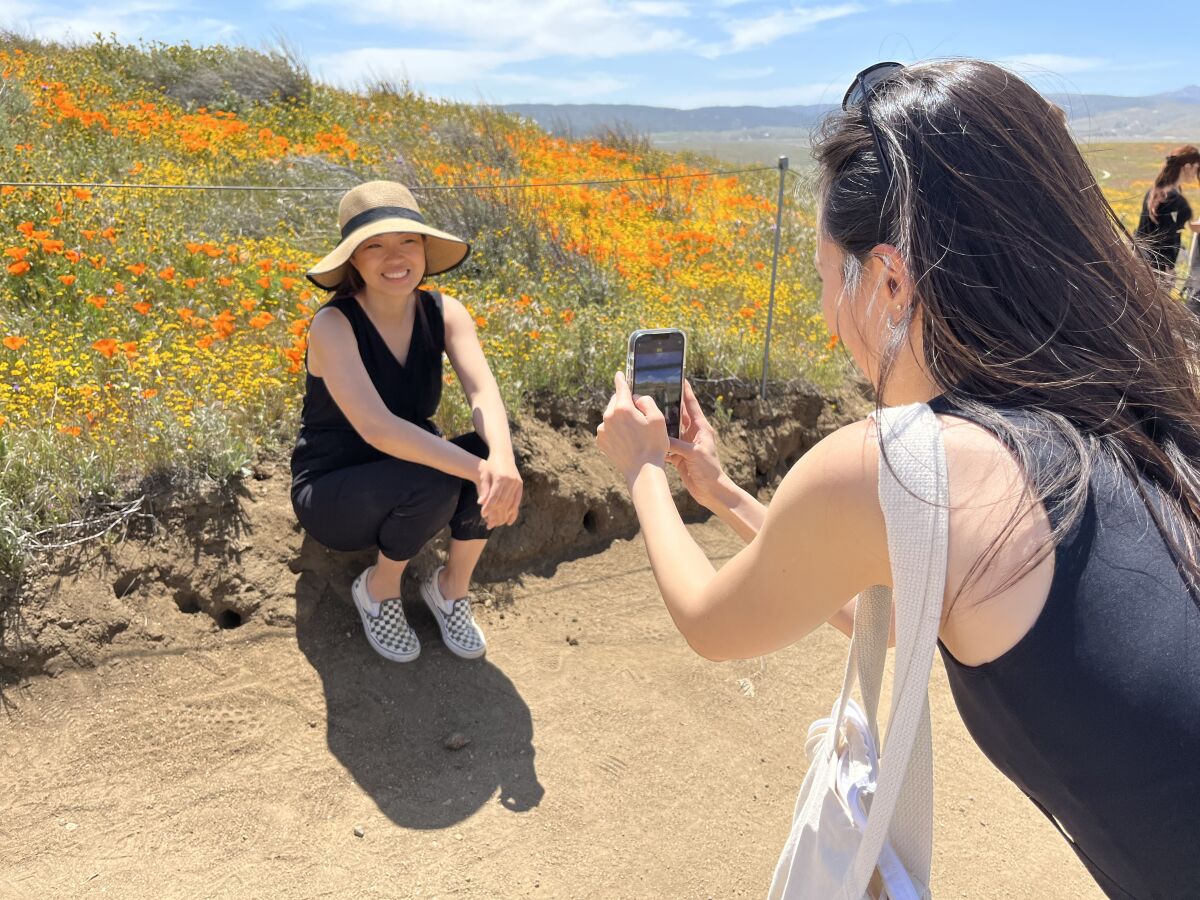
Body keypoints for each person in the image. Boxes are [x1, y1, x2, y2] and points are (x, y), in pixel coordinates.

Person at [597, 59, 1200, 898]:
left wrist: (644, 472)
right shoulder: (1134, 411)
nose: (822, 311)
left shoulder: (900, 462)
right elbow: (893, 610)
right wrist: (725, 493)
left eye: (822, 277)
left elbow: (710, 622)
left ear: (886, 279)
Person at [292, 181, 522, 662]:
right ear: (352, 260)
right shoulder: (333, 325)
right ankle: (379, 589)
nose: (394, 257)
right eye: (374, 245)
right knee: (445, 474)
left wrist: (500, 460)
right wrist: (481, 473)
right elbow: (378, 428)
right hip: (335, 490)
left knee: (488, 450)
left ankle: (451, 588)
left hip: (411, 471)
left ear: (424, 248)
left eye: (407, 241)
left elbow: (483, 390)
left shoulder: (445, 312)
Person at [1134, 144, 1200, 273]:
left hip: (1143, 262)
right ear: (1187, 167)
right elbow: (1166, 237)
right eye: (1197, 168)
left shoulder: (1155, 192)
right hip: (1158, 269)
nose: (1197, 174)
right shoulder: (1173, 198)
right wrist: (1167, 269)